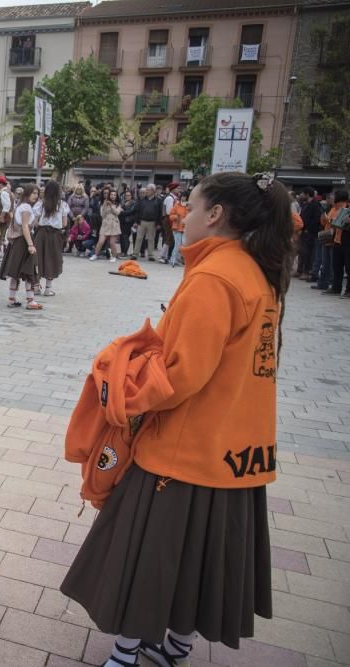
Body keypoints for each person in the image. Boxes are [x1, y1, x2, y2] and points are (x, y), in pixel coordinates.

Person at [62, 172, 293, 667]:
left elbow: (180, 375)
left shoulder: (214, 278)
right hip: (233, 449)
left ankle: (125, 655)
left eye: (190, 206)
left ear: (216, 214)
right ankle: (176, 648)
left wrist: (122, 390)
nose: (182, 216)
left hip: (182, 453)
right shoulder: (256, 271)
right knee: (199, 564)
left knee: (146, 556)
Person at [0, 185, 41, 310]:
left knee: (15, 272)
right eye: (33, 193)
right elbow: (25, 227)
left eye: (37, 193)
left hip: (17, 242)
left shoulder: (19, 206)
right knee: (29, 270)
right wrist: (31, 245)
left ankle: (12, 299)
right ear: (27, 194)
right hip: (23, 241)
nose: (36, 196)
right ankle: (30, 300)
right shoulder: (26, 207)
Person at [34, 180, 69, 294]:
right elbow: (64, 224)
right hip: (55, 235)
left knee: (38, 259)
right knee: (52, 259)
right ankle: (48, 289)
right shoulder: (62, 204)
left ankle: (36, 286)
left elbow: (35, 222)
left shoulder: (40, 203)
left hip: (41, 234)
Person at [324, 190, 349, 297]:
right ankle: (336, 287)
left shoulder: (346, 208)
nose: (332, 197)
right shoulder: (334, 208)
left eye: (334, 195)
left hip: (347, 241)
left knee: (348, 267)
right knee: (337, 266)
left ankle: (348, 290)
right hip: (337, 240)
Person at [91, 189, 122, 263]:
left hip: (114, 225)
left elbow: (117, 213)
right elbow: (102, 215)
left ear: (116, 196)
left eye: (114, 195)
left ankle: (114, 257)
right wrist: (105, 205)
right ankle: (95, 255)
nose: (113, 196)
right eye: (111, 195)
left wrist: (111, 206)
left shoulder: (118, 204)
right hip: (105, 225)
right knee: (101, 241)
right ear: (109, 195)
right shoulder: (103, 203)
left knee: (112, 243)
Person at [135, 185, 162, 261]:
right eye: (146, 190)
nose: (146, 191)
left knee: (151, 239)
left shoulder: (158, 201)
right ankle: (135, 254)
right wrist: (137, 221)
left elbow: (160, 213)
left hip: (152, 222)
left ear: (153, 191)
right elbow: (138, 211)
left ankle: (151, 255)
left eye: (148, 190)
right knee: (139, 238)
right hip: (142, 221)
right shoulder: (142, 200)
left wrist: (159, 223)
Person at [158, 182, 179, 263]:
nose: (179, 190)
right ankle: (162, 256)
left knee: (170, 239)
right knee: (168, 238)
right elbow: (169, 212)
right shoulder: (170, 198)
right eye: (177, 188)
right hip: (168, 220)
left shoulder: (175, 198)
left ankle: (165, 256)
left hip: (171, 219)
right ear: (173, 189)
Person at [168, 191, 189, 268]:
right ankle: (173, 259)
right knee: (177, 245)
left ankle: (179, 259)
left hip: (185, 228)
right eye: (182, 196)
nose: (183, 198)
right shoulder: (177, 205)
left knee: (184, 244)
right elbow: (170, 215)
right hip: (176, 227)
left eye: (185, 196)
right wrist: (175, 217)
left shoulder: (189, 206)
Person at [118, 190, 138, 258]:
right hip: (122, 222)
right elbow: (119, 210)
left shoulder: (133, 203)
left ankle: (125, 252)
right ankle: (122, 251)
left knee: (125, 237)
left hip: (129, 222)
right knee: (121, 237)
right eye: (126, 195)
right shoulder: (123, 202)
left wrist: (122, 212)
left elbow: (130, 212)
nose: (127, 196)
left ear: (131, 196)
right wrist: (122, 209)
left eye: (128, 195)